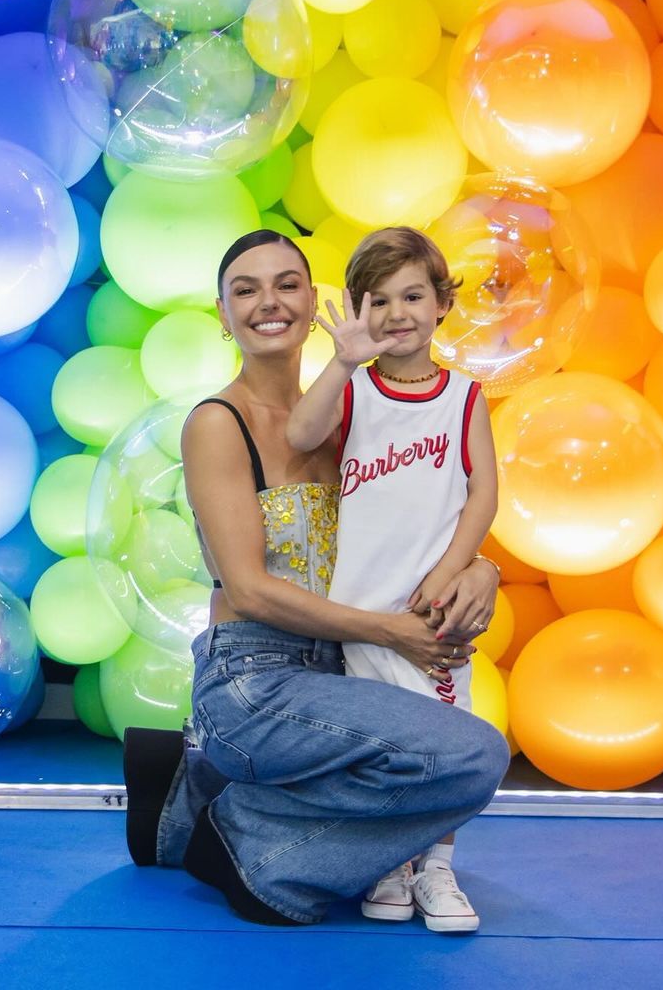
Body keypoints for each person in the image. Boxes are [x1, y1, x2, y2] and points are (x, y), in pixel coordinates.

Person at [122, 229, 508, 929]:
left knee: (458, 747)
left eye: (286, 284)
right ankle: (250, 844)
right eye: (246, 289)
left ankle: (194, 795)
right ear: (222, 313)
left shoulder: (348, 418)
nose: (268, 301)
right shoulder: (218, 423)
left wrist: (482, 568)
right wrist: (394, 631)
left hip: (345, 671)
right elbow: (249, 590)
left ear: (317, 303)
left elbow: (419, 516)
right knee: (473, 754)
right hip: (254, 677)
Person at [286, 226, 498, 932]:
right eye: (380, 300)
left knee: (442, 739)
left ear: (443, 303)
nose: (398, 312)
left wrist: (447, 574)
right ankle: (389, 860)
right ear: (357, 310)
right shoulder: (358, 390)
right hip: (358, 612)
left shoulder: (464, 397)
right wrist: (342, 364)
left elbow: (483, 495)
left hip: (430, 611)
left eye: (414, 295)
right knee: (374, 747)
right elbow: (299, 434)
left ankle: (435, 866)